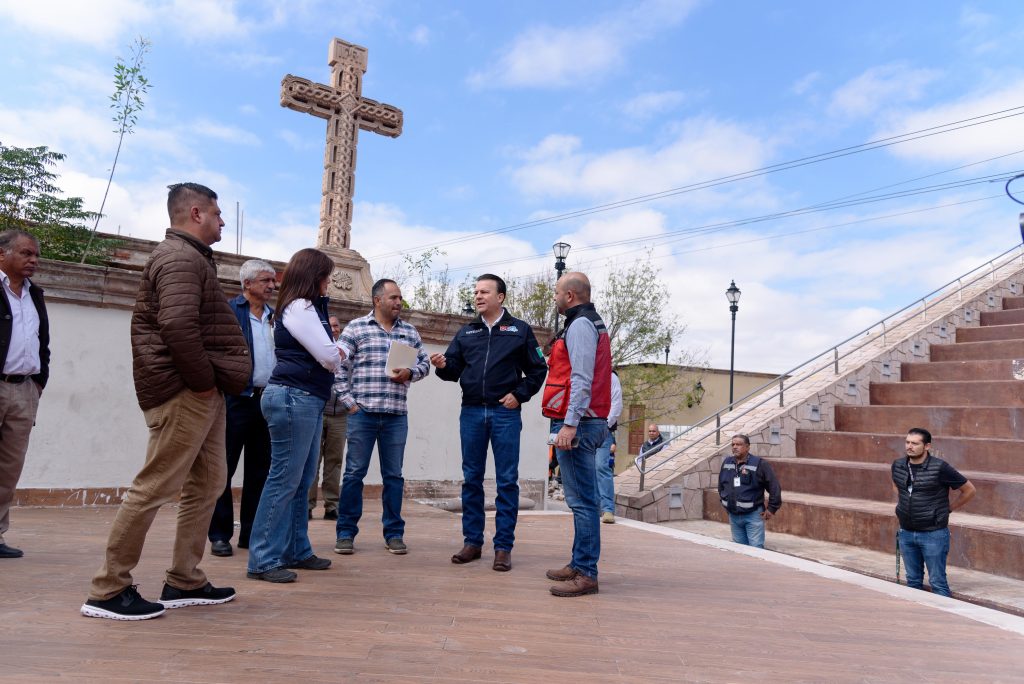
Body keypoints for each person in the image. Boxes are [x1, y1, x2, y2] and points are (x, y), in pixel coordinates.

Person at [82, 183, 250, 620]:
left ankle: (184, 579)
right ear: (195, 213)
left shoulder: (191, 258)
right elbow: (176, 326)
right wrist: (200, 384)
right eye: (216, 213)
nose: (222, 221)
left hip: (199, 391)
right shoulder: (178, 258)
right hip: (183, 391)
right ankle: (107, 588)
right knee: (156, 484)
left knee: (210, 483)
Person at [430, 274, 547, 571]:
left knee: (507, 481)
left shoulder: (519, 330)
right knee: (472, 479)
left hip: (505, 414)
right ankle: (472, 542)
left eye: (484, 292)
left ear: (501, 297)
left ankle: (503, 547)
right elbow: (453, 370)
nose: (478, 296)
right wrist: (443, 366)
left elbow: (537, 369)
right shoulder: (466, 332)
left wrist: (519, 395)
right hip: (471, 412)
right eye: (476, 292)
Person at [246, 249, 344, 583]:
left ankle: (295, 549)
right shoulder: (300, 307)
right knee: (284, 479)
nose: (328, 283)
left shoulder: (305, 307)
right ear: (313, 276)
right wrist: (342, 350)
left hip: (305, 397)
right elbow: (329, 355)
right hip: (293, 397)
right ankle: (263, 558)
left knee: (301, 480)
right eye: (326, 276)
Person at [334, 279, 429, 556]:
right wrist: (350, 403)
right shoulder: (356, 328)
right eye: (394, 298)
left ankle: (394, 534)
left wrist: (411, 373)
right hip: (362, 414)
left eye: (400, 298)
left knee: (394, 477)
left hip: (396, 416)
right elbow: (338, 366)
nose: (399, 303)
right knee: (353, 475)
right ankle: (346, 533)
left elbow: (424, 364)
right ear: (378, 300)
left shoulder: (410, 332)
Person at [542, 272, 611, 597]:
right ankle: (578, 562)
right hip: (587, 420)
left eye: (557, 292)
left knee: (583, 502)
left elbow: (581, 378)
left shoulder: (581, 325)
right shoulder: (585, 322)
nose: (554, 297)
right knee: (581, 500)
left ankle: (586, 573)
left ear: (570, 295)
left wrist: (569, 424)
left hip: (581, 423)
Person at [208, 259, 277, 558]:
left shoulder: (277, 317)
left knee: (260, 470)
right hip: (236, 399)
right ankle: (220, 534)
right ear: (247, 284)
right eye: (265, 280)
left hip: (267, 400)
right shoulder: (228, 311)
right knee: (224, 467)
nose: (271, 286)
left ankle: (251, 533)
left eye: (273, 281)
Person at [0, 230, 49, 560]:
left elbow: (43, 341)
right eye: (26, 253)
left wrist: (40, 380)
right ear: (2, 254)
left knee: (9, 468)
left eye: (35, 255)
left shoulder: (36, 294)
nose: (33, 260)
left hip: (25, 389)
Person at [892, 427, 976, 597]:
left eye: (915, 443)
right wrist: (904, 507)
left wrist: (948, 509)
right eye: (907, 442)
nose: (909, 446)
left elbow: (969, 490)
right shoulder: (898, 465)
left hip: (933, 534)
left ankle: (946, 620)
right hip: (906, 532)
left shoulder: (940, 468)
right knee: (913, 581)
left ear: (927, 446)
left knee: (937, 582)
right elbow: (897, 486)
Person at [308, 314, 347, 521]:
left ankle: (332, 505)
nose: (334, 329)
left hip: (340, 414)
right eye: (330, 325)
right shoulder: (316, 348)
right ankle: (307, 505)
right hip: (318, 410)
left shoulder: (346, 351)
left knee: (335, 461)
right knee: (313, 460)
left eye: (337, 325)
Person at [717, 434, 782, 549]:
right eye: (733, 444)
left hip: (753, 515)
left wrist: (772, 509)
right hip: (734, 515)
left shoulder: (759, 464)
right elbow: (721, 486)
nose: (735, 447)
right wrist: (725, 503)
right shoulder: (727, 463)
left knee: (756, 549)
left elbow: (774, 487)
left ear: (747, 447)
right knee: (739, 550)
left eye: (739, 444)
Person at [595, 370, 622, 524]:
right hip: (583, 429)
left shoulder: (611, 377)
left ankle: (607, 509)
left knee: (601, 467)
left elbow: (617, 403)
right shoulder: (583, 372)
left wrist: (606, 425)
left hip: (603, 430)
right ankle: (594, 507)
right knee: (588, 469)